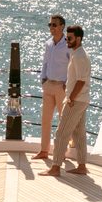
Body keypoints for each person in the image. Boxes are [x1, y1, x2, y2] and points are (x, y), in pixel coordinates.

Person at [41, 25, 90, 177]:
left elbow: (81, 81)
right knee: (79, 133)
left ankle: (55, 167)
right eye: (66, 38)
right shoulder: (77, 53)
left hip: (76, 100)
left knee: (61, 133)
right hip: (82, 99)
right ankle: (82, 165)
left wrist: (70, 97)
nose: (67, 40)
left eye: (69, 38)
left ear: (78, 39)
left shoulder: (79, 56)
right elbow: (77, 78)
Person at [31, 14, 70, 160]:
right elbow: (45, 63)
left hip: (61, 87)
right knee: (45, 119)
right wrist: (43, 80)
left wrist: (67, 83)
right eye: (50, 25)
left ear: (62, 27)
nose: (51, 28)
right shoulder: (48, 44)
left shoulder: (68, 44)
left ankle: (62, 152)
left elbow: (72, 66)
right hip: (48, 85)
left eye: (54, 25)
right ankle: (44, 150)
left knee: (63, 121)